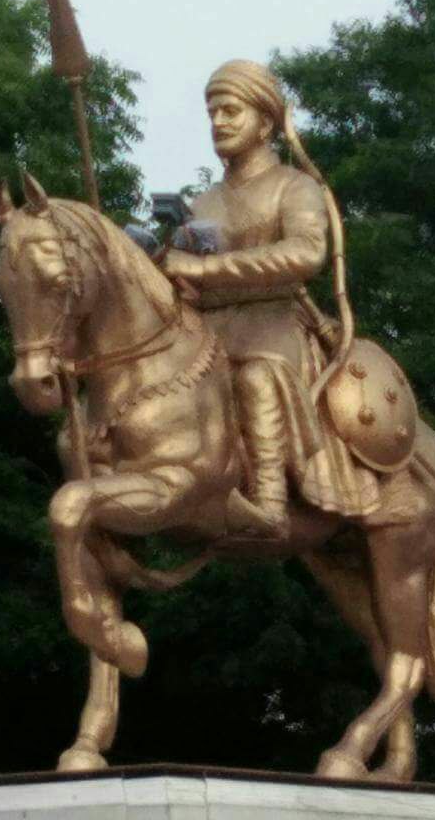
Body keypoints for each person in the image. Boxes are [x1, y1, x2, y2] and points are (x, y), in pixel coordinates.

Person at [162, 60, 378, 535]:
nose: (218, 122)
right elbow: (181, 275)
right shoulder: (202, 203)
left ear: (264, 123)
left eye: (231, 111)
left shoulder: (294, 186)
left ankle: (270, 501)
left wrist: (204, 268)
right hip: (206, 331)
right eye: (213, 113)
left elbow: (307, 252)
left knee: (256, 377)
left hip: (273, 324)